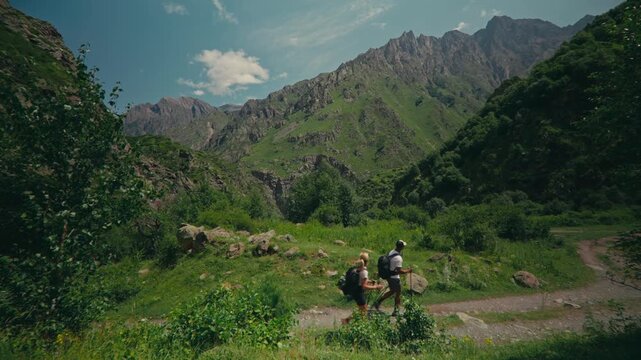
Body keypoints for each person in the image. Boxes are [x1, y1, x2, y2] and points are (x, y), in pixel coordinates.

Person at [373, 240, 412, 316]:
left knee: (392, 291)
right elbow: (399, 271)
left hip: (388, 276)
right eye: (403, 246)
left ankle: (378, 302)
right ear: (402, 247)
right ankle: (396, 311)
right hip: (394, 278)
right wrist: (408, 270)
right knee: (398, 294)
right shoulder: (398, 258)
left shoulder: (391, 252)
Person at [343, 253, 384, 323]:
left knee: (362, 309)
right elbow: (364, 286)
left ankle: (348, 320)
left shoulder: (357, 268)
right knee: (363, 310)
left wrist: (370, 281)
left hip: (355, 291)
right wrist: (376, 287)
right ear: (367, 262)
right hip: (359, 293)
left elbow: (360, 280)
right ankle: (350, 321)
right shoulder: (364, 271)